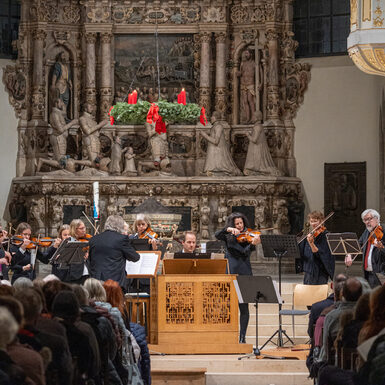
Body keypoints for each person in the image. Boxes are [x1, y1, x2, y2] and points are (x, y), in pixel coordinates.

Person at [215, 212, 260, 343]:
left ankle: (242, 337)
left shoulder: (249, 237)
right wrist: (228, 229)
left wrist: (252, 244)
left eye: (241, 223)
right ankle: (227, 336)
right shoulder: (228, 235)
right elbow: (217, 234)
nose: (240, 226)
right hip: (230, 272)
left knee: (244, 307)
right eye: (237, 224)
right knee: (227, 305)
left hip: (245, 271)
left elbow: (244, 252)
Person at [89, 215, 140, 291]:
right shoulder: (121, 239)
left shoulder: (94, 239)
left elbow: (90, 259)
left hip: (96, 281)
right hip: (114, 282)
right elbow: (135, 257)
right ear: (120, 226)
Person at [345, 209, 385, 288]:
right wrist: (350, 255)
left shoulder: (383, 230)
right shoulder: (367, 232)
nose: (367, 222)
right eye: (365, 220)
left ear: (377, 219)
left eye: (369, 219)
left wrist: (382, 248)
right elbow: (357, 246)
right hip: (368, 274)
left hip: (381, 274)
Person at [298, 211, 335, 285]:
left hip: (319, 271)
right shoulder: (310, 234)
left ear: (321, 221)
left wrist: (311, 243)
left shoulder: (326, 235)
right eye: (311, 221)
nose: (313, 223)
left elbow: (320, 254)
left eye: (316, 221)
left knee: (318, 295)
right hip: (308, 269)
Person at [201, 112, 242, 176]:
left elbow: (216, 141)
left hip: (218, 151)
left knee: (221, 168)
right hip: (213, 151)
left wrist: (205, 135)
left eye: (212, 116)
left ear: (215, 118)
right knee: (210, 171)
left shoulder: (219, 127)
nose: (211, 118)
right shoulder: (215, 126)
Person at [60, 219, 90, 284]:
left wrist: (89, 254)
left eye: (84, 227)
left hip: (88, 273)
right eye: (81, 228)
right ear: (75, 229)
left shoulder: (88, 240)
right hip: (75, 275)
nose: (84, 230)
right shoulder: (68, 242)